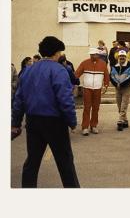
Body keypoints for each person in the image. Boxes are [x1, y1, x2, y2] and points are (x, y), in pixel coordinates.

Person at [11, 36, 80, 188]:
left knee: (32, 162)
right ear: (56, 53)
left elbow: (19, 99)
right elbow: (65, 99)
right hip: (55, 122)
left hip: (33, 121)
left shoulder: (28, 70)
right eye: (60, 52)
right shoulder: (59, 70)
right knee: (65, 162)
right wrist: (72, 121)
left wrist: (15, 122)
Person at [75, 48, 109, 136]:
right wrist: (74, 82)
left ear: (98, 55)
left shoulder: (103, 64)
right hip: (87, 88)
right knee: (86, 108)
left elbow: (106, 75)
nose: (92, 56)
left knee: (96, 108)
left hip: (98, 88)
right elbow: (77, 73)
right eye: (91, 54)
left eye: (94, 54)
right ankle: (85, 127)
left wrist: (105, 85)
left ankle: (94, 125)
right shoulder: (84, 63)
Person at [110, 50, 130, 131]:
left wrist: (121, 84)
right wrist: (116, 84)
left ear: (126, 57)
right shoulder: (114, 66)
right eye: (120, 57)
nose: (122, 58)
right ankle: (125, 121)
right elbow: (112, 76)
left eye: (123, 57)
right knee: (119, 105)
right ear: (118, 57)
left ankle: (120, 121)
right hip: (117, 88)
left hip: (126, 88)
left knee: (124, 105)